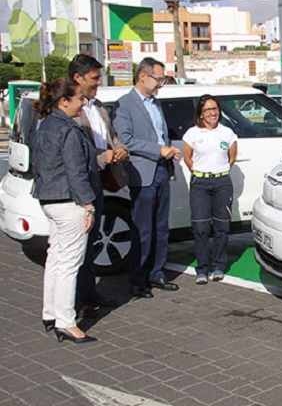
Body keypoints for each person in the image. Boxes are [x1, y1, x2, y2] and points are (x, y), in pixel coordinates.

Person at [31, 77, 100, 344]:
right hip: (69, 202)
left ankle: (50, 313)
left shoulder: (45, 125)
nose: (83, 103)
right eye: (79, 98)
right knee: (70, 263)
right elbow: (76, 171)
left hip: (49, 199)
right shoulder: (68, 129)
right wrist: (88, 205)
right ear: (63, 101)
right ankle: (66, 321)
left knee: (56, 258)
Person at [113, 58, 181, 299]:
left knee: (161, 227)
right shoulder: (125, 104)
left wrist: (167, 151)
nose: (160, 84)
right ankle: (138, 279)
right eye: (158, 79)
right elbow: (126, 140)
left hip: (162, 170)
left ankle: (156, 272)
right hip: (142, 173)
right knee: (143, 229)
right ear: (143, 76)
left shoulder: (156, 103)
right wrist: (159, 150)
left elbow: (161, 134)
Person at [68, 54, 129, 316]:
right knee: (76, 247)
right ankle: (74, 303)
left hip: (99, 181)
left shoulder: (99, 106)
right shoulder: (69, 111)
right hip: (79, 186)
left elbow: (111, 136)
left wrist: (120, 150)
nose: (98, 83)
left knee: (91, 241)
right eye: (94, 78)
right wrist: (104, 157)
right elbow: (74, 152)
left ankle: (89, 293)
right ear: (77, 78)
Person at [182, 95, 237, 284]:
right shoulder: (192, 134)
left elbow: (231, 158)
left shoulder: (227, 133)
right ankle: (202, 269)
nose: (212, 113)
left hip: (222, 182)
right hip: (200, 184)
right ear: (201, 114)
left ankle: (219, 266)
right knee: (201, 227)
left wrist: (219, 172)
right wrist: (201, 172)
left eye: (215, 109)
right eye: (207, 110)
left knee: (222, 226)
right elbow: (188, 158)